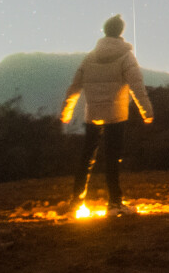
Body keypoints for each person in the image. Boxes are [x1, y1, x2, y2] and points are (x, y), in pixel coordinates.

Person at [60, 14, 153, 215]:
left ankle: (76, 203)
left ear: (104, 31)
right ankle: (114, 203)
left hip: (92, 113)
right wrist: (147, 111)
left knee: (86, 157)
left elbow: (75, 87)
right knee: (112, 158)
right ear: (120, 32)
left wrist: (66, 111)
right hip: (116, 115)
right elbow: (137, 86)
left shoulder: (90, 57)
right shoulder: (126, 56)